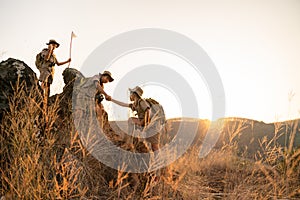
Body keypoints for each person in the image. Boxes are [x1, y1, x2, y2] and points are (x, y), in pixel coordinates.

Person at [109, 86, 162, 151]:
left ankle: (160, 160)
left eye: (131, 93)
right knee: (131, 120)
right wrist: (111, 99)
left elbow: (148, 110)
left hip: (153, 126)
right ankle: (129, 140)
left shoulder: (141, 102)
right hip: (146, 125)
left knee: (155, 147)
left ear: (134, 94)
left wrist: (144, 122)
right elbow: (123, 104)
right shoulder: (135, 104)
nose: (129, 95)